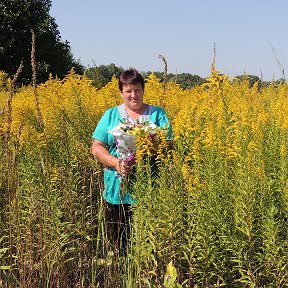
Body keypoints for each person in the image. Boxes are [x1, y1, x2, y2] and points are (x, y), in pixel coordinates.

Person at [91, 69, 173, 256]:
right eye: (128, 91)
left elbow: (168, 147)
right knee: (122, 243)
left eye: (137, 90)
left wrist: (150, 146)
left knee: (150, 243)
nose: (133, 95)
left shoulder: (158, 115)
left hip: (150, 189)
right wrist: (116, 162)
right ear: (121, 92)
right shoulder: (111, 115)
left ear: (143, 90)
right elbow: (97, 146)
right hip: (118, 190)